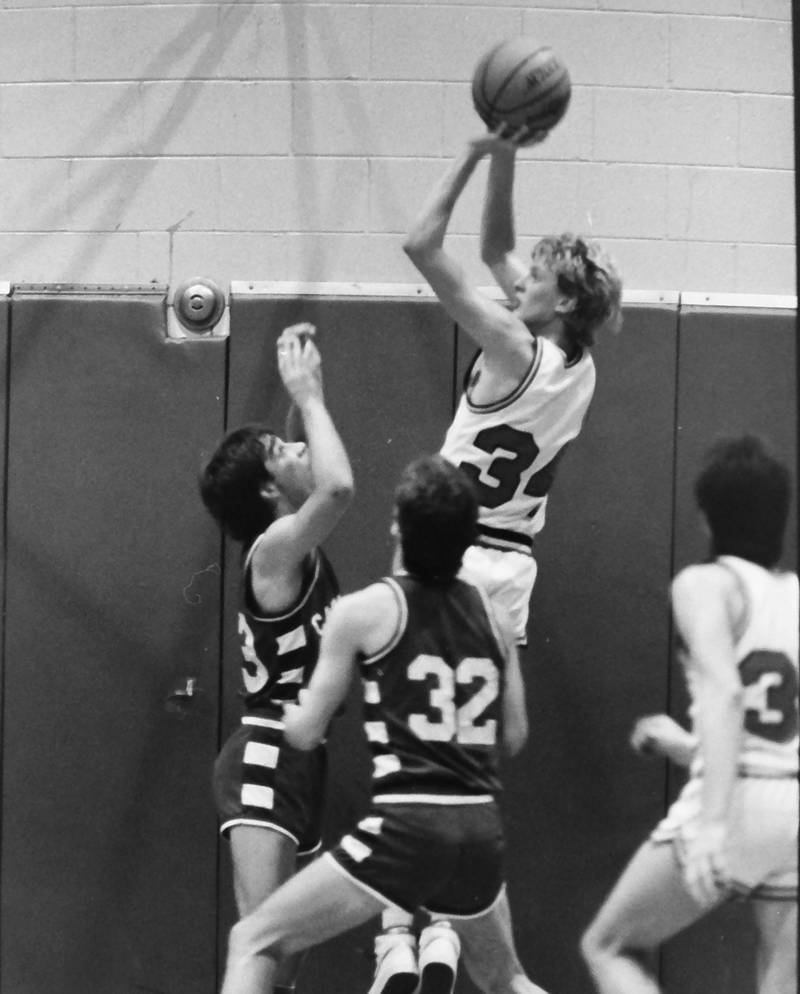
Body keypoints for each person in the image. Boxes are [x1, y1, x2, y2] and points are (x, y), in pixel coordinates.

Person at [372, 127, 623, 990]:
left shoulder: (510, 345)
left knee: (405, 729)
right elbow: (494, 245)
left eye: (532, 282)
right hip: (511, 569)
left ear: (552, 303)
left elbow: (425, 245)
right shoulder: (579, 365)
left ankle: (401, 936)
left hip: (449, 553)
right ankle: (444, 927)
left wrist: (476, 154)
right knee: (467, 750)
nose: (515, 281)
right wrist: (510, 145)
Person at [217, 455, 549, 994]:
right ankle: (407, 942)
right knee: (505, 977)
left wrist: (291, 707)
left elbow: (303, 731)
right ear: (469, 536)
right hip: (479, 829)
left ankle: (396, 944)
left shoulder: (365, 611)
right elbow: (514, 734)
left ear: (397, 525)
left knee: (254, 939)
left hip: (408, 826)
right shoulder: (496, 617)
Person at [581, 435, 798, 994]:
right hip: (794, 806)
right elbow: (773, 730)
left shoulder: (706, 583)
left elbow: (727, 693)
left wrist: (713, 825)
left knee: (609, 945)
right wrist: (685, 746)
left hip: (736, 801)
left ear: (706, 516)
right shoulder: (794, 594)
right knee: (779, 976)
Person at [199, 322, 354, 994]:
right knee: (260, 944)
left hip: (301, 757)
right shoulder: (272, 553)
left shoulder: (293, 543)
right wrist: (310, 398)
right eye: (283, 450)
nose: (301, 449)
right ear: (268, 491)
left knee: (285, 958)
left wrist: (301, 391)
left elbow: (318, 477)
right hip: (265, 751)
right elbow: (339, 488)